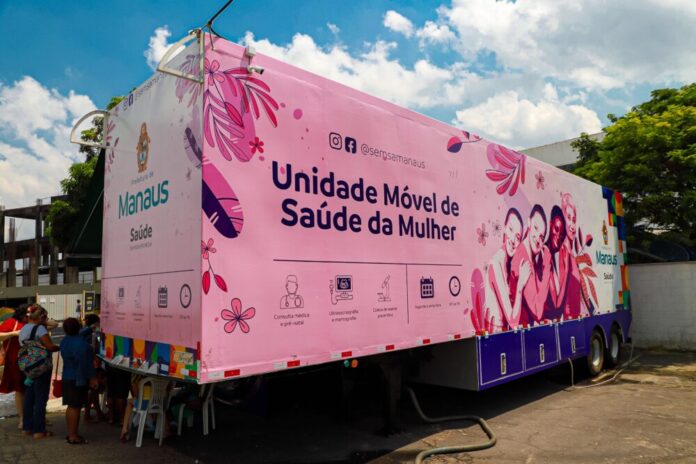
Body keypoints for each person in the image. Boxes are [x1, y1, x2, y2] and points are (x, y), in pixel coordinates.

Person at [484, 208, 532, 330]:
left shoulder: (507, 264)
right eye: (511, 229)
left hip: (502, 333)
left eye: (518, 237)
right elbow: (513, 322)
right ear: (505, 228)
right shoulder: (496, 264)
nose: (513, 240)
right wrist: (520, 285)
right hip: (495, 334)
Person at [19, 304, 59, 439]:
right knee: (41, 399)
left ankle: (27, 428)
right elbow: (50, 347)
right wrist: (59, 347)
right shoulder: (40, 328)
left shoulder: (24, 328)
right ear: (41, 317)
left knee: (29, 398)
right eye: (45, 317)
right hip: (42, 367)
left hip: (28, 367)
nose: (46, 319)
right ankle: (39, 431)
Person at [510, 205, 552, 326]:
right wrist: (547, 265)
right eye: (535, 228)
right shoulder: (523, 260)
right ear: (528, 223)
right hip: (522, 330)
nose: (538, 239)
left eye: (541, 236)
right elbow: (537, 312)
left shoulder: (530, 258)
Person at [60, 317, 98, 444]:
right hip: (78, 379)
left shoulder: (64, 341)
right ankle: (73, 436)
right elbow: (85, 365)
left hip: (67, 376)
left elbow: (78, 333)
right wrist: (92, 378)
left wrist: (90, 328)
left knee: (71, 406)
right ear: (78, 327)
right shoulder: (83, 345)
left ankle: (70, 433)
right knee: (75, 407)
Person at [0, 304, 29, 429]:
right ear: (22, 314)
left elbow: (53, 325)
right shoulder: (12, 322)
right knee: (20, 389)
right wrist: (14, 333)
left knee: (34, 389)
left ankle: (37, 416)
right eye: (29, 312)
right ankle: (22, 418)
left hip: (33, 361)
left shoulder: (33, 321)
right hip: (15, 361)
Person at [79, 314, 106, 422]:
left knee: (93, 390)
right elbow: (93, 349)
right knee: (93, 389)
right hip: (92, 364)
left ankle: (97, 412)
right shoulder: (90, 333)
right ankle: (88, 414)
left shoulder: (85, 332)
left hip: (89, 364)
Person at [543, 206, 568, 320]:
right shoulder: (545, 254)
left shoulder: (553, 257)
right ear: (550, 224)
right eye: (556, 229)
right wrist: (566, 271)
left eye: (561, 234)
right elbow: (556, 305)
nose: (558, 237)